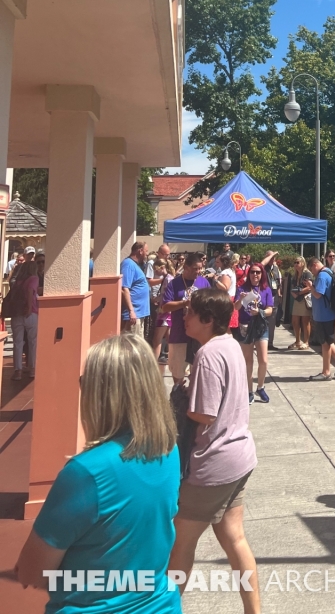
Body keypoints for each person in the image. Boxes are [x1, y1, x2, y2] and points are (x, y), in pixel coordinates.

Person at [15, 333, 180, 613]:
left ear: (101, 392)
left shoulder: (86, 472)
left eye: (84, 382)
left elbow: (32, 571)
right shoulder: (169, 448)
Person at [168, 289, 258, 614]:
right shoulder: (231, 345)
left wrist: (183, 396)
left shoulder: (207, 355)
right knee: (235, 539)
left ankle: (166, 607)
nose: (184, 316)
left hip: (213, 464)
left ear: (207, 319)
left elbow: (204, 414)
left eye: (190, 312)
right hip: (240, 457)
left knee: (179, 547)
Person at [161, 253, 210, 385]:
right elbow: (165, 306)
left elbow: (211, 304)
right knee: (178, 374)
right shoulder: (175, 284)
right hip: (179, 336)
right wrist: (184, 303)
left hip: (198, 337)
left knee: (198, 376)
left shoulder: (203, 282)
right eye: (195, 268)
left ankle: (193, 402)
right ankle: (177, 400)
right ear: (186, 267)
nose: (198, 271)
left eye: (200, 268)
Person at [235, 263, 273, 403]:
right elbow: (236, 307)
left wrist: (260, 312)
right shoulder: (242, 289)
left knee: (263, 360)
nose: (255, 275)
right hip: (245, 326)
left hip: (260, 326)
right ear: (248, 274)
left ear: (262, 274)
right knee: (248, 361)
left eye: (257, 272)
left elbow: (270, 309)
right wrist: (240, 299)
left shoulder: (266, 289)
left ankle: (260, 387)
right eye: (252, 272)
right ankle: (249, 391)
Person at [307, 256, 335, 381]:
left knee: (324, 344)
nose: (313, 273)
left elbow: (318, 294)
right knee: (328, 341)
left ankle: (326, 372)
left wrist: (310, 286)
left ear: (315, 265)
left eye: (311, 270)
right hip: (329, 314)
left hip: (322, 315)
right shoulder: (329, 272)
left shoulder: (321, 276)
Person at [6, 252, 39, 381]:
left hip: (16, 313)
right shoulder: (33, 278)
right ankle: (32, 368)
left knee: (18, 342)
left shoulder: (17, 281)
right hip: (30, 313)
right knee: (32, 341)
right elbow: (30, 291)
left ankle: (18, 370)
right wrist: (29, 307)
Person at [121, 242, 151, 336]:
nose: (147, 254)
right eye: (146, 251)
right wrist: (131, 311)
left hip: (139, 313)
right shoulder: (128, 264)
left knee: (138, 345)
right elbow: (124, 289)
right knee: (132, 346)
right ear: (140, 251)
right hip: (134, 314)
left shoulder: (136, 265)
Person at [153, 260, 176, 363]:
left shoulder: (169, 279)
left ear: (162, 267)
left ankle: (153, 362)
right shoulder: (166, 279)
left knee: (157, 339)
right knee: (170, 339)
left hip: (165, 313)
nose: (155, 272)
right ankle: (175, 360)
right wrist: (157, 299)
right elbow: (163, 294)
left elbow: (170, 296)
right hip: (164, 312)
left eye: (155, 269)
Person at [288, 256, 313, 350]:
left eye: (297, 262)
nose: (295, 264)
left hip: (305, 299)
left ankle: (306, 342)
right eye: (295, 262)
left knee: (305, 321)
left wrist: (299, 292)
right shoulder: (295, 275)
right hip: (297, 300)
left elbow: (310, 287)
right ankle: (297, 341)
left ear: (303, 263)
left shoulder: (307, 274)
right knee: (295, 321)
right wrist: (293, 293)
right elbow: (292, 287)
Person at [261, 251, 282, 350]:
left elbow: (277, 283)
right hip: (264, 296)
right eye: (270, 257)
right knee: (263, 320)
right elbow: (262, 263)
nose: (272, 259)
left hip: (274, 297)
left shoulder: (276, 269)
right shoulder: (263, 268)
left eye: (274, 257)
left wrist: (279, 294)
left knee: (272, 321)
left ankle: (270, 343)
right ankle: (261, 341)